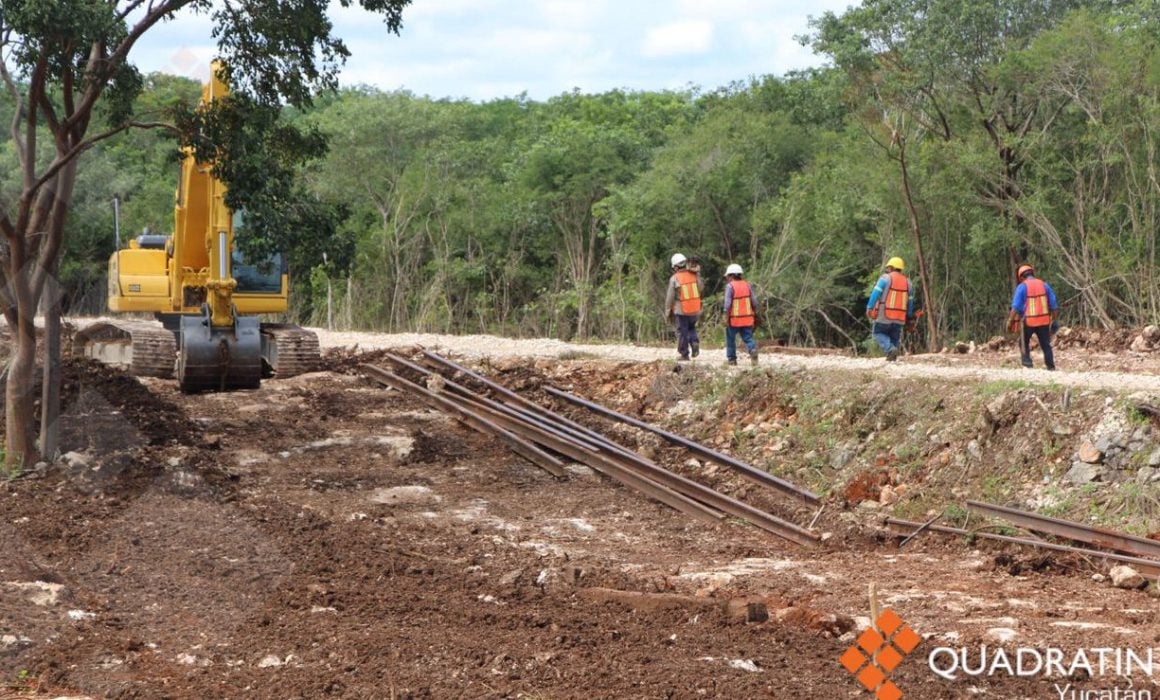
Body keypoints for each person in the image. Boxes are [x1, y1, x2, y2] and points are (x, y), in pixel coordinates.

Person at [1007, 264, 1058, 371]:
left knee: (1023, 342)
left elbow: (1015, 307)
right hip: (1044, 320)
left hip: (1028, 321)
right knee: (1046, 344)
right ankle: (1051, 366)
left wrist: (1010, 321)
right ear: (1032, 273)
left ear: (1021, 277)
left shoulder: (1022, 287)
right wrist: (1053, 319)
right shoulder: (1044, 285)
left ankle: (1027, 364)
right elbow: (1053, 304)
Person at [865, 256, 915, 361]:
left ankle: (890, 349)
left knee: (878, 333)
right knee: (894, 337)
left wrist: (869, 307)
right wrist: (909, 317)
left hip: (884, 314)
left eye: (888, 267)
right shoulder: (908, 283)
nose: (887, 270)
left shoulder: (885, 278)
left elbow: (875, 293)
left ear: (891, 267)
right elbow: (910, 302)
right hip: (900, 317)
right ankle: (892, 357)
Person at [664, 253, 703, 361]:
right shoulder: (694, 275)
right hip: (695, 308)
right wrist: (698, 273)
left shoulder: (674, 278)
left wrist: (667, 311)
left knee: (682, 331)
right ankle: (694, 342)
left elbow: (670, 297)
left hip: (681, 310)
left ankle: (684, 353)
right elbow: (700, 288)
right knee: (692, 328)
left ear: (676, 267)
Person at [723, 263, 759, 366]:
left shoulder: (730, 286)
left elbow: (727, 304)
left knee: (730, 339)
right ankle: (752, 350)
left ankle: (732, 359)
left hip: (734, 320)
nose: (727, 278)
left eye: (728, 276)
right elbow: (754, 302)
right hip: (747, 319)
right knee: (748, 338)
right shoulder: (747, 285)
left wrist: (726, 317)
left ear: (731, 276)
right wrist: (756, 314)